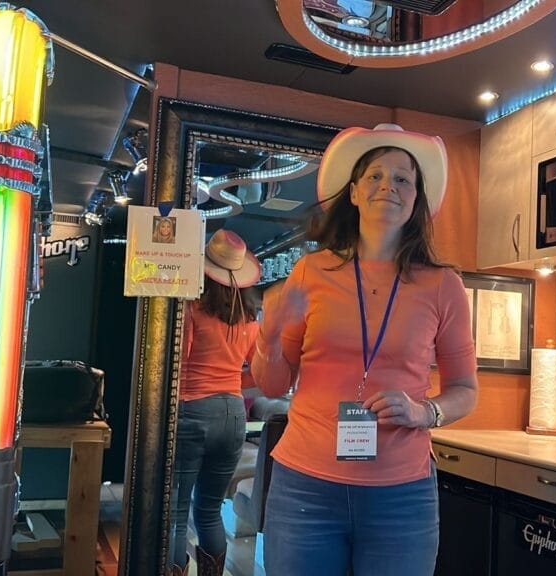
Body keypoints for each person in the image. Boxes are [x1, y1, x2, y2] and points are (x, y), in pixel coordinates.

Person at [251, 123, 479, 576]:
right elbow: (272, 384)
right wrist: (269, 336)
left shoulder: (444, 285)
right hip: (305, 488)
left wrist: (424, 412)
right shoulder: (310, 272)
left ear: (416, 199)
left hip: (401, 496)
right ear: (354, 192)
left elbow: (465, 390)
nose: (388, 186)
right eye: (375, 175)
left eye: (403, 179)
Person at [169, 229, 261, 576]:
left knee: (176, 514)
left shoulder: (191, 308)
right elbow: (259, 375)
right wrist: (232, 381)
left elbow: (178, 364)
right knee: (209, 510)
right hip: (233, 415)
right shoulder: (248, 320)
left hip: (192, 409)